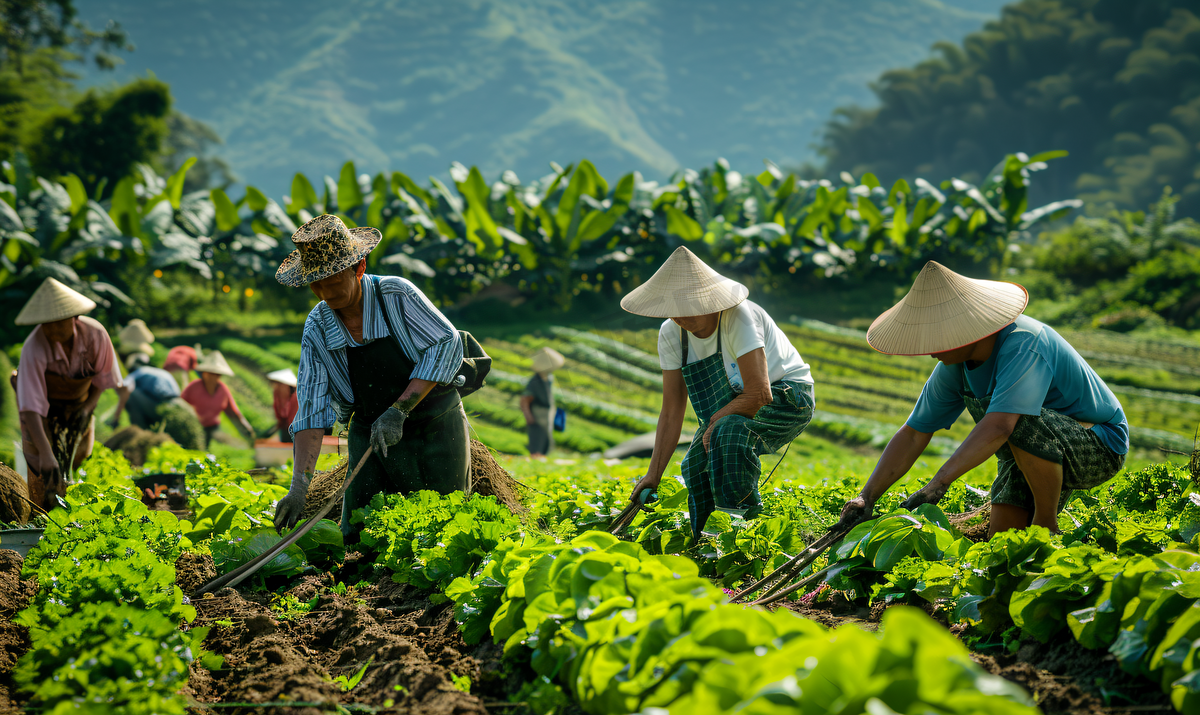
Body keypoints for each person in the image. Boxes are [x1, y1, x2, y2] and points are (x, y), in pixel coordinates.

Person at [837, 261, 1129, 537]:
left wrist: (939, 483)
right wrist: (867, 496)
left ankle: (1047, 525)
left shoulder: (1023, 342)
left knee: (1021, 419)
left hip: (1098, 446)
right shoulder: (953, 368)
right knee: (1002, 542)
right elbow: (915, 432)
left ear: (964, 330)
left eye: (935, 337)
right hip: (1026, 454)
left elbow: (1001, 426)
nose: (929, 349)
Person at [270, 214, 469, 541]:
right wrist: (298, 487)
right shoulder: (318, 326)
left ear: (358, 268)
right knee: (361, 534)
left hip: (434, 422)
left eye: (333, 281)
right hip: (369, 431)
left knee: (446, 527)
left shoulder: (396, 295)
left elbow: (446, 344)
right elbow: (311, 408)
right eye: (316, 284)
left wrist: (399, 409)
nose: (325, 293)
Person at [623, 247, 816, 539]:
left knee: (729, 433)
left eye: (689, 307)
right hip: (730, 411)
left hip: (789, 397)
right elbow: (672, 410)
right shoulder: (670, 334)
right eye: (674, 309)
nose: (681, 318)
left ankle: (743, 532)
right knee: (694, 464)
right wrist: (654, 474)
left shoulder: (739, 317)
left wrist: (712, 424)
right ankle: (706, 540)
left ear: (709, 300)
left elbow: (760, 393)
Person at [12, 278, 126, 509]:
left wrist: (87, 407)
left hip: (79, 404)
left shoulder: (95, 335)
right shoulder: (34, 346)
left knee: (78, 455)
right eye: (46, 323)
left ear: (74, 319)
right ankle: (41, 512)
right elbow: (31, 407)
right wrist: (45, 453)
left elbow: (103, 379)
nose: (52, 329)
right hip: (41, 413)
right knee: (43, 469)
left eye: (58, 322)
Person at [181, 350, 254, 448]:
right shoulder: (194, 387)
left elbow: (233, 411)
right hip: (193, 425)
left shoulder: (223, 390)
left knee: (204, 449)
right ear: (204, 374)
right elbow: (180, 404)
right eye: (211, 373)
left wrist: (246, 428)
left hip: (211, 427)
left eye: (217, 374)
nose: (214, 377)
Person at [110, 352, 184, 430]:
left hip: (160, 407)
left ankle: (139, 430)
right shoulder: (161, 372)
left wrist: (116, 418)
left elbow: (125, 390)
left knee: (132, 394)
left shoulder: (139, 372)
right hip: (174, 408)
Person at [521, 347, 564, 457]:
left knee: (546, 436)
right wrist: (528, 416)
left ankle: (542, 456)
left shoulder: (549, 378)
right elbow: (525, 400)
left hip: (547, 413)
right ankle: (536, 456)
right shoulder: (534, 381)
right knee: (537, 436)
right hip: (537, 412)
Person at [266, 368, 299, 443]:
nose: (275, 387)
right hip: (286, 429)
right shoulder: (277, 396)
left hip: (297, 431)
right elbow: (280, 415)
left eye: (279, 384)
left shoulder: (296, 398)